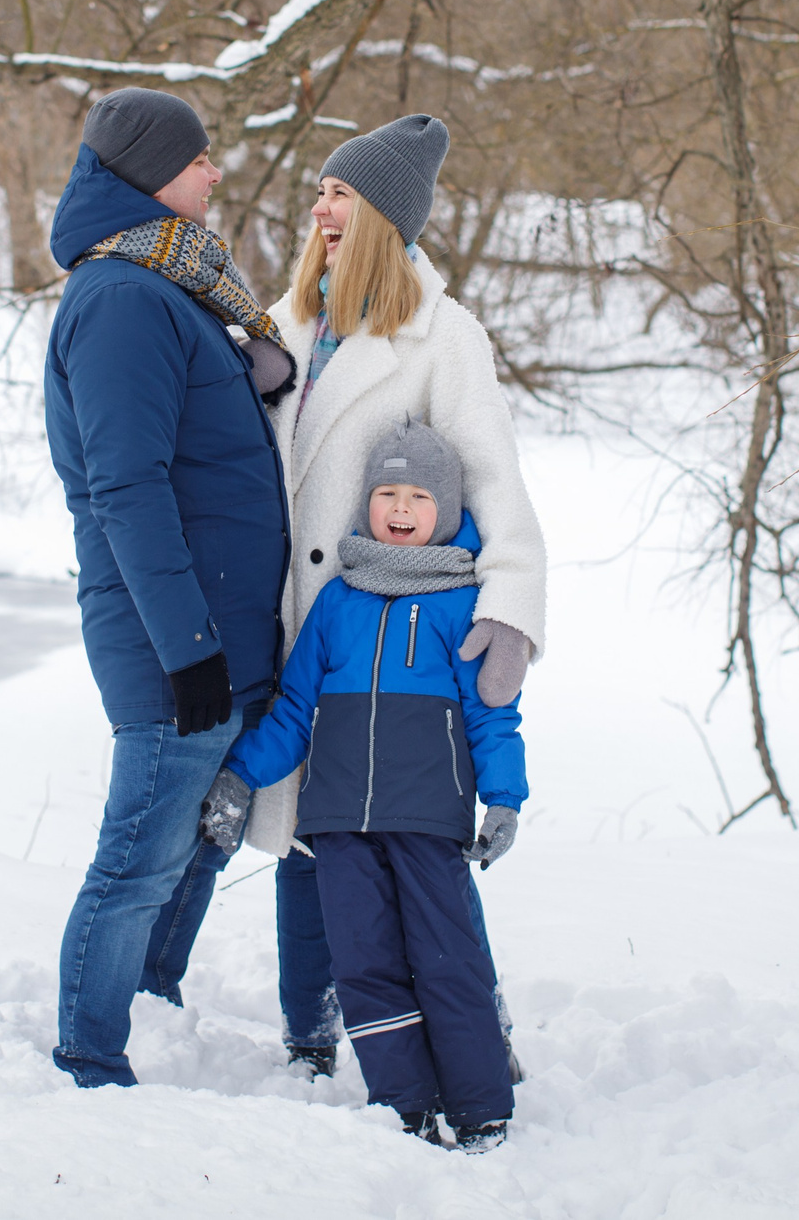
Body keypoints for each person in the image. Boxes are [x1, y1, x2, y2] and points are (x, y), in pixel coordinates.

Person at [252, 114, 547, 1074]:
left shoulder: (442, 337)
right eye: (320, 191)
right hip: (297, 628)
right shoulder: (287, 319)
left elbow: (492, 477)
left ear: (381, 213)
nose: (320, 207)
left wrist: (508, 603)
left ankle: (470, 1031)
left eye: (339, 193)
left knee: (413, 862)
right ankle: (310, 1030)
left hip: (392, 642)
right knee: (304, 834)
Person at [41, 86, 295, 1089]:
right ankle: (90, 1057)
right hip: (172, 638)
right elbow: (126, 487)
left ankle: (150, 1010)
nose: (214, 170)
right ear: (150, 172)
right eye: (199, 157)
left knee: (198, 848)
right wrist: (188, 649)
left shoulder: (178, 286)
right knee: (142, 857)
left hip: (225, 631)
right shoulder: (119, 300)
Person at [200, 417, 525, 1152]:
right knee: (363, 964)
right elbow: (292, 709)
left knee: (448, 961)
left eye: (418, 495)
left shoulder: (461, 606)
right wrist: (239, 778)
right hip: (340, 824)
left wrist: (505, 799)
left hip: (428, 821)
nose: (402, 508)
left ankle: (481, 1110)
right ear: (366, 501)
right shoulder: (337, 603)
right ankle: (404, 1105)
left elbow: (495, 716)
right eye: (388, 492)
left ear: (444, 508)